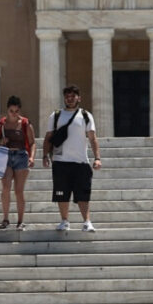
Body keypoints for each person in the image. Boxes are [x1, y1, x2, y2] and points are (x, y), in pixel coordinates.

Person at [42, 84, 101, 232]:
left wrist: (97, 158)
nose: (69, 99)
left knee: (83, 194)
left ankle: (87, 222)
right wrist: (44, 155)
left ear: (78, 98)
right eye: (67, 96)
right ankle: (64, 221)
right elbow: (48, 137)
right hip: (61, 162)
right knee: (61, 193)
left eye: (72, 96)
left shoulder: (86, 116)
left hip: (81, 161)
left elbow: (93, 138)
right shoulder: (55, 115)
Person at [0, 95, 36, 231]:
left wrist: (32, 157)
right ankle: (5, 219)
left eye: (16, 111)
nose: (14, 114)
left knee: (19, 191)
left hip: (21, 156)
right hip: (6, 157)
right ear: (7, 110)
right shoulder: (2, 124)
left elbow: (32, 143)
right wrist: (0, 142)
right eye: (11, 111)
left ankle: (20, 221)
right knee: (6, 188)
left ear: (19, 110)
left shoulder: (25, 123)